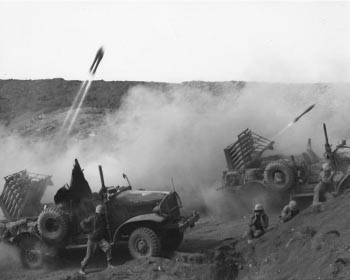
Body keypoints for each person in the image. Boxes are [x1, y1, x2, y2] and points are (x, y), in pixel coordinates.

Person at [79, 205, 114, 275]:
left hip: (100, 239)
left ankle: (109, 265)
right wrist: (88, 230)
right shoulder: (92, 217)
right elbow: (82, 223)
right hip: (92, 239)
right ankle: (81, 269)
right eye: (100, 213)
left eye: (102, 213)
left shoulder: (104, 218)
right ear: (97, 212)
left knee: (109, 247)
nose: (101, 214)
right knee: (89, 256)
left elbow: (105, 228)